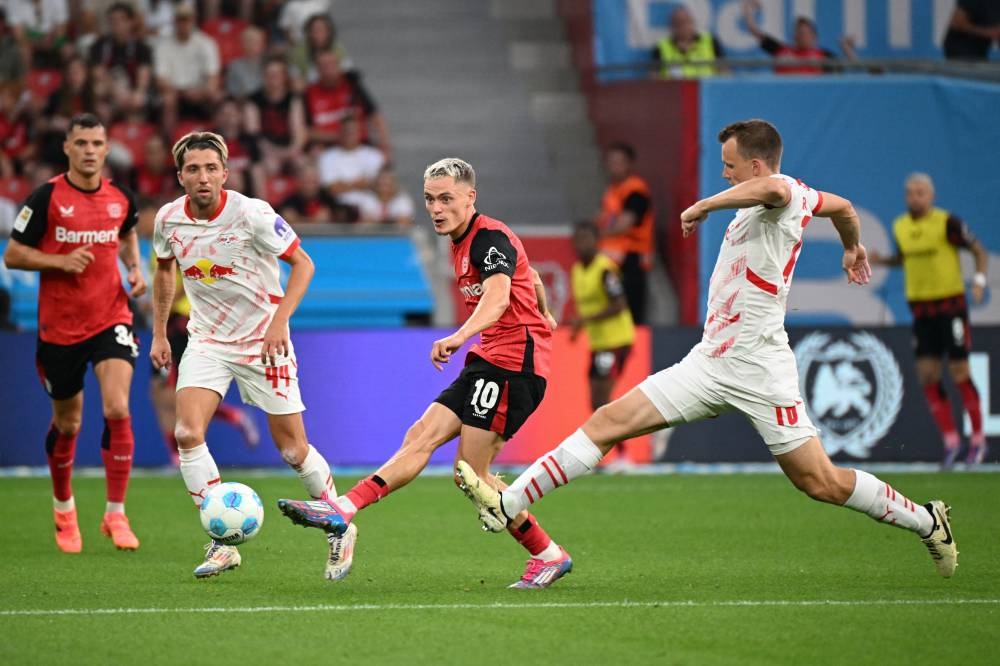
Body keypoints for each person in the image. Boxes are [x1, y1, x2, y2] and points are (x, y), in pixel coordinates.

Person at [456, 119, 958, 583]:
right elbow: (846, 209)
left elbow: (772, 188)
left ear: (755, 165)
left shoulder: (783, 193)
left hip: (760, 368)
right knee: (608, 420)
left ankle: (926, 521)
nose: (724, 173)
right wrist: (852, 247)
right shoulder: (781, 199)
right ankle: (510, 502)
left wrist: (703, 205)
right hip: (709, 362)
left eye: (730, 165)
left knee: (819, 482)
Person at [277, 157, 571, 589]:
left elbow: (498, 298)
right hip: (490, 361)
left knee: (472, 476)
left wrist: (460, 335)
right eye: (430, 199)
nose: (436, 208)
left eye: (447, 199)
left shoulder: (489, 237)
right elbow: (525, 276)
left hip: (515, 367)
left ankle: (547, 553)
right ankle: (342, 509)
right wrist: (543, 308)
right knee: (421, 435)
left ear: (470, 197)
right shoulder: (460, 240)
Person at [149, 130, 348, 580]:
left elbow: (304, 264)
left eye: (211, 168)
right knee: (186, 432)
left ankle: (340, 524)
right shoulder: (168, 220)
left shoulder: (252, 213)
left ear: (225, 172)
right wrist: (161, 333)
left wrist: (279, 321)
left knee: (293, 450)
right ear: (180, 176)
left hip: (263, 341)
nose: (203, 177)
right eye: (193, 169)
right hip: (207, 341)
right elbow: (163, 270)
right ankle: (222, 543)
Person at [2, 112, 146, 553]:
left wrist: (135, 267)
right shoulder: (46, 199)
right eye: (81, 142)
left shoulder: (120, 197)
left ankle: (115, 515)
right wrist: (59, 262)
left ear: (106, 149)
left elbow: (127, 233)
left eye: (96, 143)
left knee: (118, 406)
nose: (89, 151)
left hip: (111, 318)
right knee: (69, 422)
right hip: (60, 328)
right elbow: (13, 254)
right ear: (67, 147)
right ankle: (64, 509)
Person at [870, 173, 989, 468]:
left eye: (920, 192)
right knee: (927, 375)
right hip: (921, 311)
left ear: (931, 196)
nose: (914, 197)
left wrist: (979, 280)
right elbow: (905, 258)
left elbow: (978, 250)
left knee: (959, 370)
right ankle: (951, 442)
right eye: (910, 192)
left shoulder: (947, 223)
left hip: (951, 307)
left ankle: (978, 441)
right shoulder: (901, 226)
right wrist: (882, 261)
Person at [567, 220, 637, 467]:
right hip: (599, 344)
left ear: (596, 241)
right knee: (596, 402)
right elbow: (586, 306)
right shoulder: (577, 270)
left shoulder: (605, 268)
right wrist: (579, 328)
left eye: (587, 239)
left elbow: (619, 304)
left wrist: (584, 320)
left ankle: (624, 455)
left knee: (602, 400)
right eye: (579, 239)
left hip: (617, 341)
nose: (582, 244)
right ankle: (613, 454)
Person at [596, 142, 653, 325]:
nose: (614, 166)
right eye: (611, 161)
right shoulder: (612, 190)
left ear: (630, 164)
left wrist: (596, 234)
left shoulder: (635, 192)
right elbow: (604, 217)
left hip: (631, 260)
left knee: (631, 311)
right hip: (613, 261)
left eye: (619, 162)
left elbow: (623, 225)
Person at [742, 1, 847, 75]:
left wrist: (846, 49)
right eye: (799, 33)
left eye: (806, 33)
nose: (803, 36)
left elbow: (845, 71)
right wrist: (747, 6)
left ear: (814, 37)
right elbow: (753, 29)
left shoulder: (825, 56)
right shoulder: (781, 50)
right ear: (794, 36)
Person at [651, 5, 725, 79]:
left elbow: (724, 73)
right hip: (675, 89)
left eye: (685, 21)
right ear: (671, 26)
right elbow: (654, 80)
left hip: (706, 89)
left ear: (692, 23)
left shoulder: (710, 42)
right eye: (678, 23)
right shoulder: (661, 48)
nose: (682, 26)